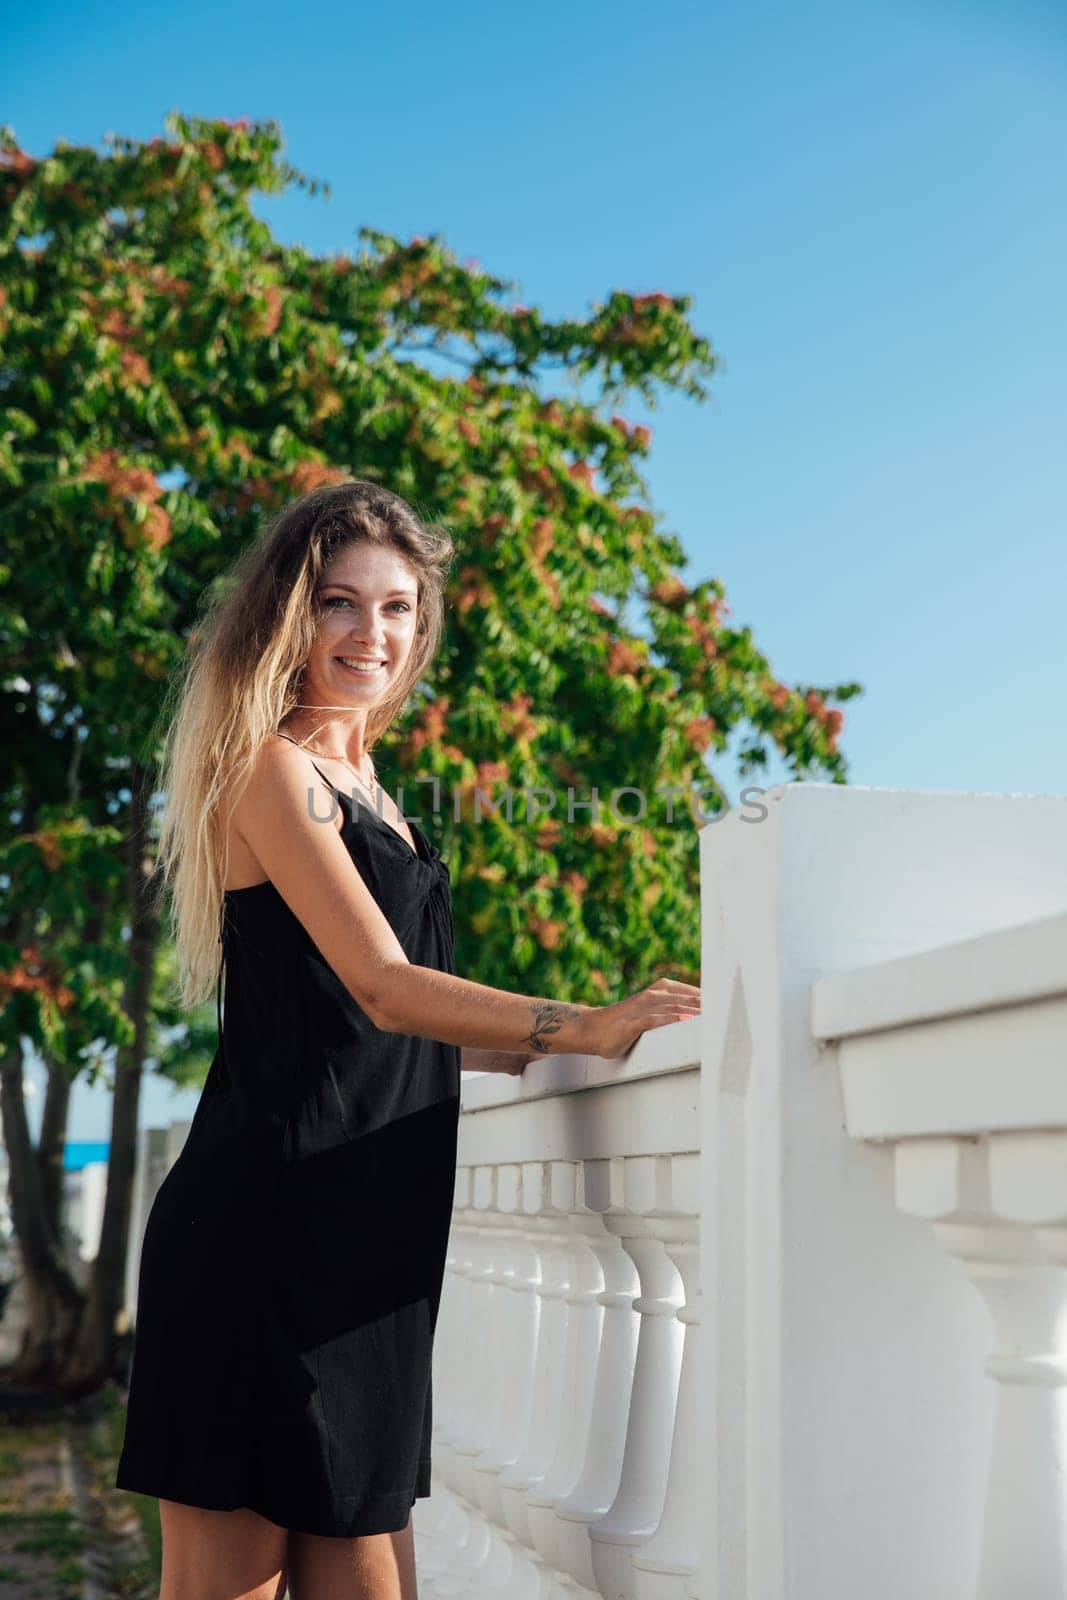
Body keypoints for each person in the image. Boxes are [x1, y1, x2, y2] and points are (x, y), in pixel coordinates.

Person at [114, 479, 701, 1600]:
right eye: (340, 604)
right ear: (290, 617)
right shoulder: (269, 769)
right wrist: (577, 1021)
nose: (370, 634)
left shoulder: (373, 792)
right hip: (263, 1231)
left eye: (395, 610)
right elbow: (384, 990)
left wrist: (565, 1048)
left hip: (367, 1253)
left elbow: (388, 1037)